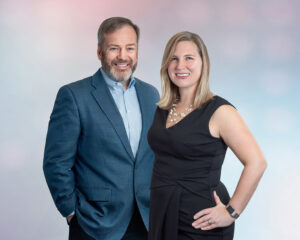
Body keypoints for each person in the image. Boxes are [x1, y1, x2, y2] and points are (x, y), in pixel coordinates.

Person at [43, 17, 159, 240]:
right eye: (114, 48)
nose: (123, 56)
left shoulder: (151, 94)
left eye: (130, 48)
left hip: (146, 221)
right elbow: (55, 161)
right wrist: (71, 212)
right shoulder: (74, 96)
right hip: (95, 224)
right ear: (99, 52)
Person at [147, 31, 267, 240]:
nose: (180, 65)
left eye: (189, 58)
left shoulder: (220, 111)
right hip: (162, 213)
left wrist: (231, 212)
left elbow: (257, 162)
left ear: (204, 64)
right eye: (174, 58)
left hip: (202, 223)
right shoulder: (164, 108)